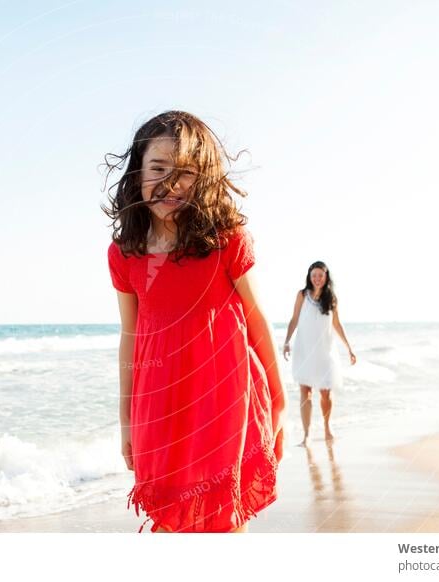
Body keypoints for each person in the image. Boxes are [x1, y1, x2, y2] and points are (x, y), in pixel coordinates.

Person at [102, 110, 285, 533]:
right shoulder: (124, 253)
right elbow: (130, 335)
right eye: (159, 168)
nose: (170, 183)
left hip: (224, 395)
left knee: (223, 515)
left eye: (184, 172)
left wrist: (280, 399)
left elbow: (257, 320)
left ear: (203, 177)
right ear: (138, 173)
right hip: (159, 400)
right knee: (169, 518)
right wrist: (127, 415)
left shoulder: (225, 238)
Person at [282, 261, 356, 445]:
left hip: (325, 352)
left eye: (320, 276)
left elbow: (337, 325)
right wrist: (286, 341)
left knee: (326, 393)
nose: (316, 279)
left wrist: (349, 348)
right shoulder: (302, 295)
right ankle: (306, 435)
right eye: (314, 275)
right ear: (309, 276)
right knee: (305, 391)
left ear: (326, 277)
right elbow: (294, 319)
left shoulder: (331, 299)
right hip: (304, 349)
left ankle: (327, 428)